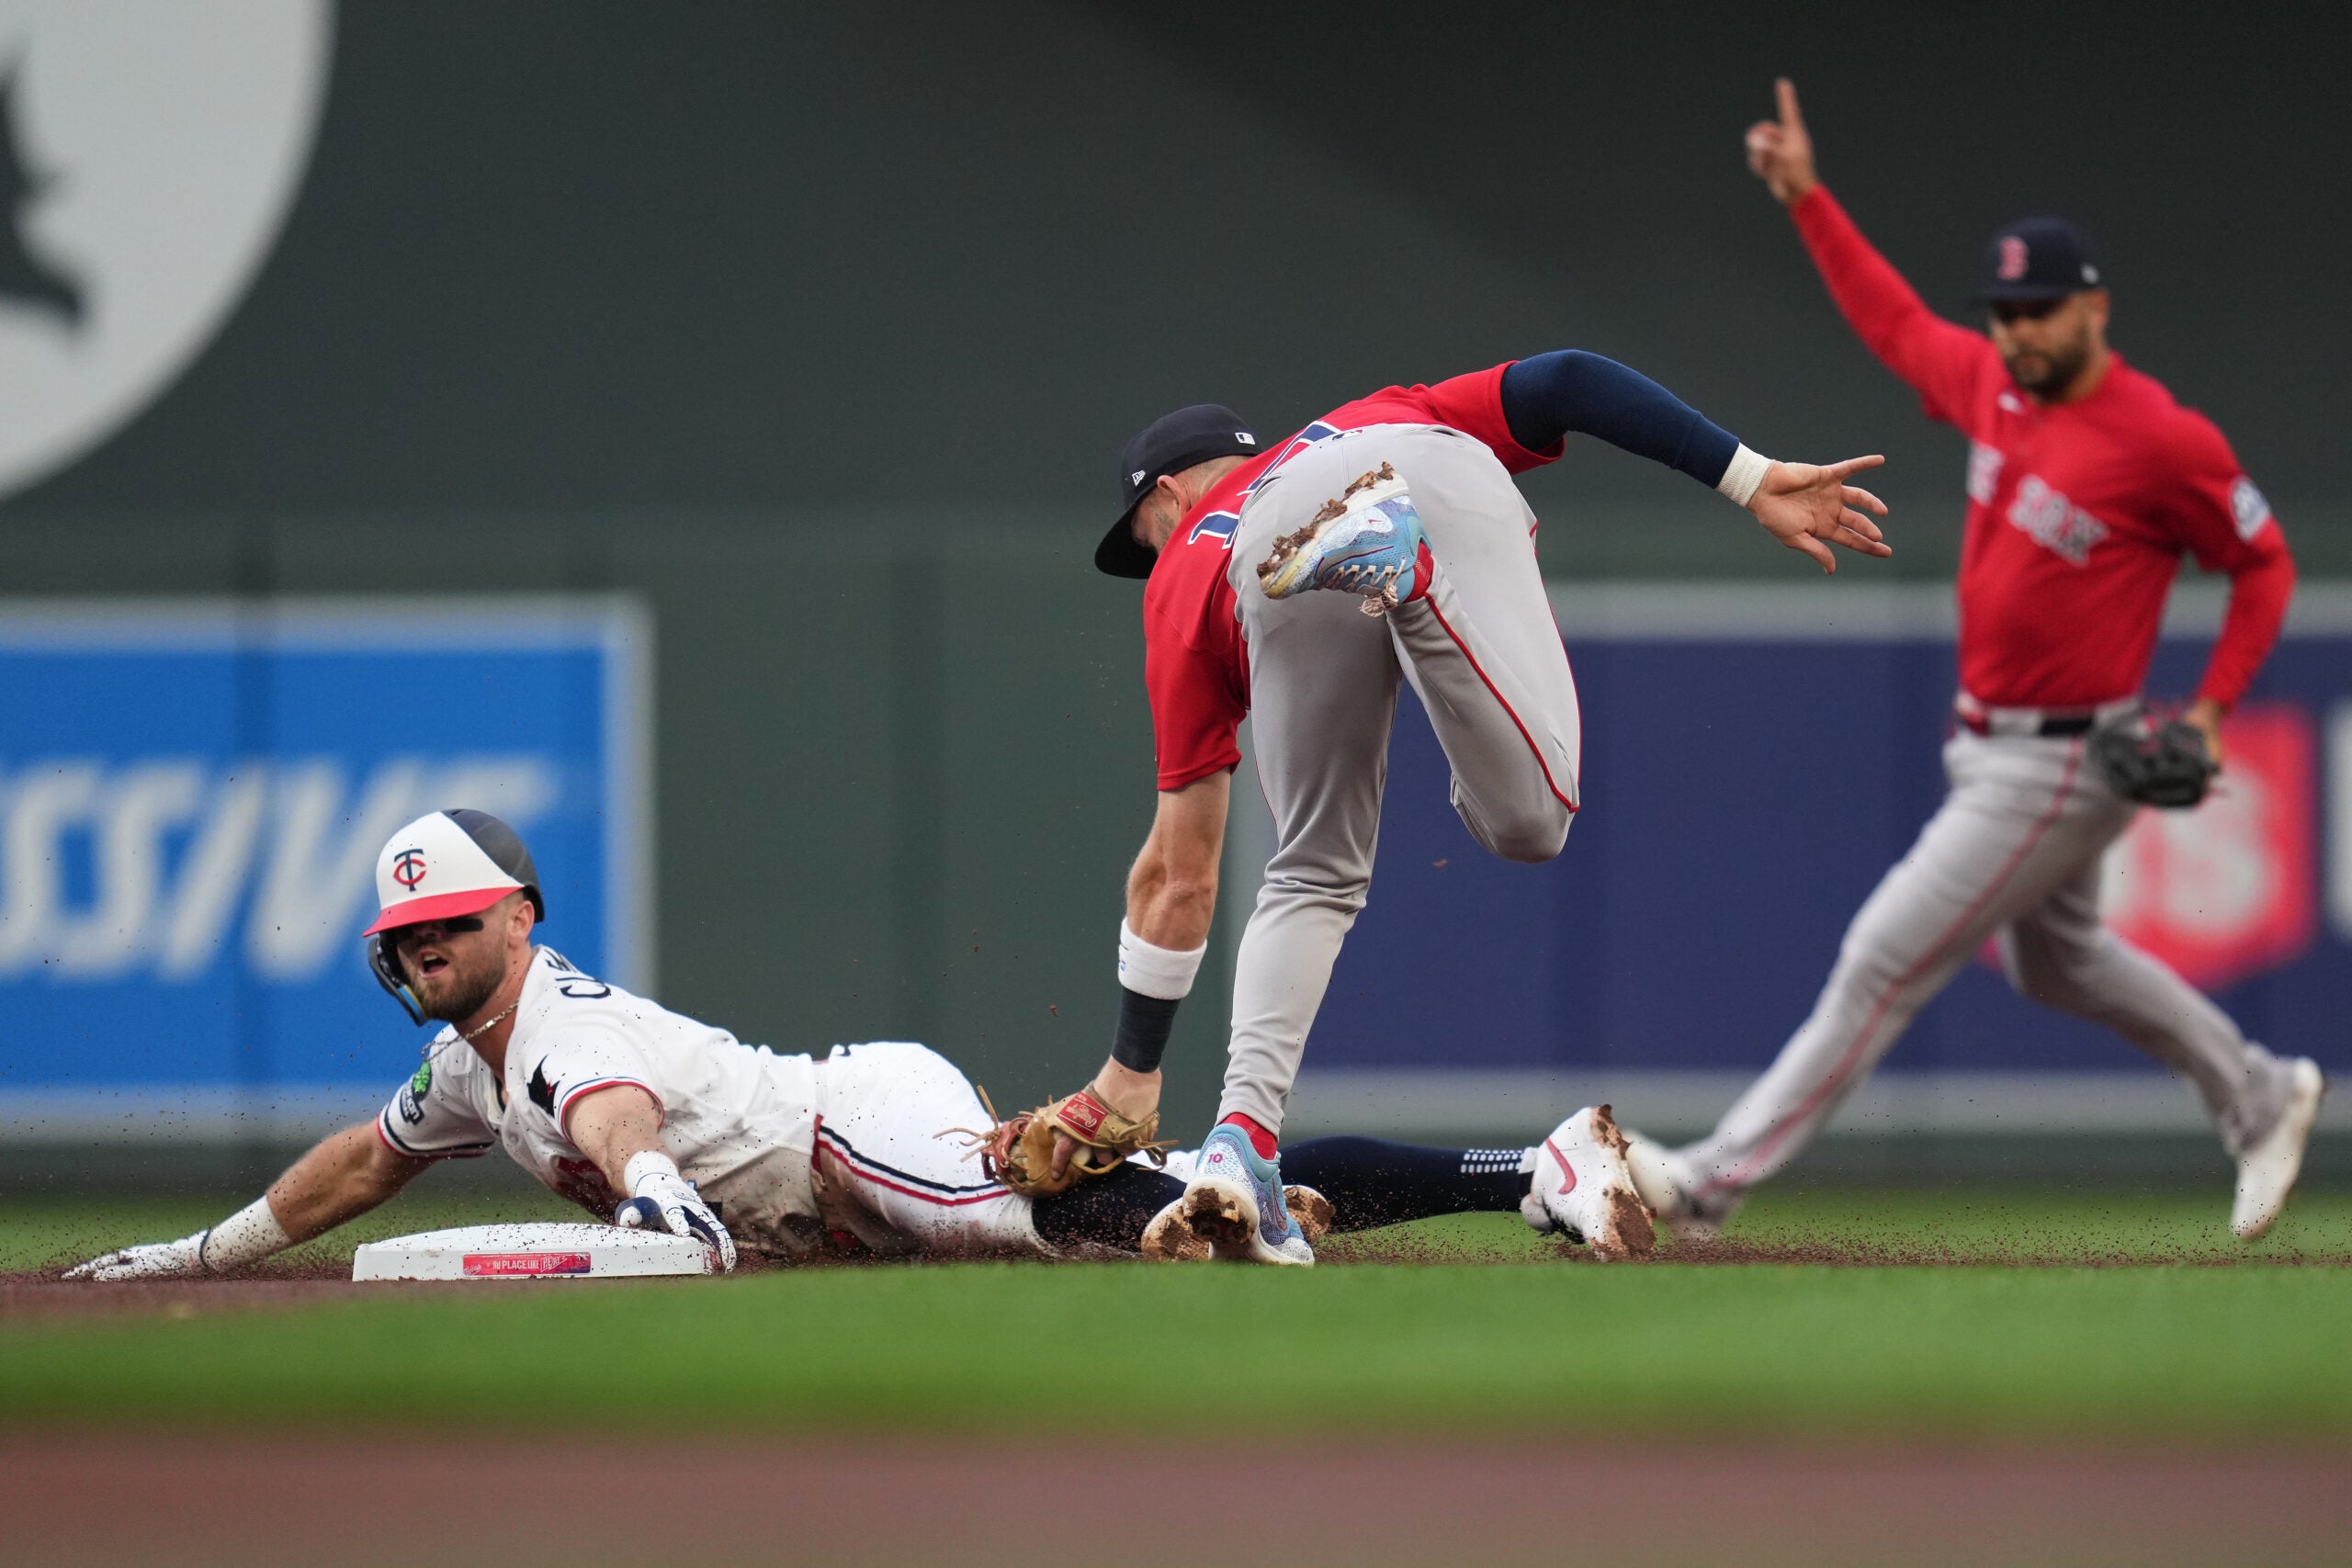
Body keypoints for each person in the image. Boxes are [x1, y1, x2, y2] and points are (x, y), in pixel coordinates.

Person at [1623, 81, 2324, 1244]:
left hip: (2065, 754)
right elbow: (1896, 324)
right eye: (2004, 310)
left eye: (2040, 308)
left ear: (2095, 308)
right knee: (2057, 965)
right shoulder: (1997, 389)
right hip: (1987, 741)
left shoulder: (2164, 439)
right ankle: (2260, 1092)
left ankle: (1708, 1185)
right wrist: (1808, 201)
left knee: (1882, 957)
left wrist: (2208, 714)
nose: (2017, 329)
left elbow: (2263, 565)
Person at [1035, 337, 1893, 1268]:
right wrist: (1748, 477)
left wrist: (1132, 1069)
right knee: (1529, 825)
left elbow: (1179, 874)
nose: (1144, 556)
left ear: (1167, 493)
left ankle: (1242, 1138)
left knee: (1312, 871)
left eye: (1140, 538)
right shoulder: (1371, 408)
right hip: (1408, 464)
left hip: (1268, 551)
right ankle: (1411, 582)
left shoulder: (1180, 569)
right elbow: (1568, 379)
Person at [67, 810, 1646, 1279]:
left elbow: (608, 1108)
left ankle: (1262, 1215)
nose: (423, 951)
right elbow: (360, 1160)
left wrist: (649, 1189)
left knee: (1065, 1217)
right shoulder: (465, 1063)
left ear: (516, 925)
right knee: (1176, 1192)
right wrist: (201, 1251)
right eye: (404, 938)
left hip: (841, 1124)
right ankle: (1522, 1167)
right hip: (820, 1191)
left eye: (449, 927)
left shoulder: (545, 1025)